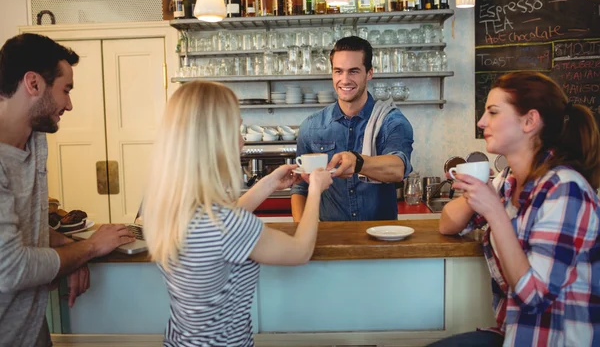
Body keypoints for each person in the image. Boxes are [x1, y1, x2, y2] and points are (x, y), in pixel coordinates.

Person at [141, 81, 332, 347]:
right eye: (237, 129)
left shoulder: (166, 207)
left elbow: (218, 229)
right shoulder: (227, 225)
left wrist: (268, 183)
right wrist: (314, 190)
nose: (242, 140)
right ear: (215, 139)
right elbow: (300, 251)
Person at [432, 71, 600, 346]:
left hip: (556, 339)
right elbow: (447, 224)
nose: (481, 121)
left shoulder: (565, 189)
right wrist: (475, 189)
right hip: (515, 333)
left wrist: (495, 213)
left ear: (529, 121)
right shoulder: (509, 181)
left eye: (493, 112)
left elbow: (534, 297)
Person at [0, 34, 136, 347]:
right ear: (33, 83)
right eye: (66, 90)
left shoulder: (34, 141)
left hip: (32, 331)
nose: (69, 104)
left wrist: (69, 251)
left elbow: (25, 225)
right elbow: (11, 269)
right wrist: (89, 248)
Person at [291, 36, 414, 222]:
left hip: (381, 238)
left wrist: (358, 162)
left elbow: (398, 168)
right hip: (329, 236)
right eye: (338, 71)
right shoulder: (312, 126)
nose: (345, 79)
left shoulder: (391, 121)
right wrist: (301, 230)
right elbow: (300, 187)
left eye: (354, 71)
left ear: (369, 73)